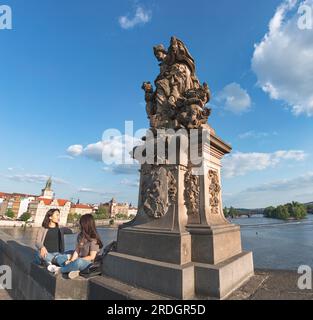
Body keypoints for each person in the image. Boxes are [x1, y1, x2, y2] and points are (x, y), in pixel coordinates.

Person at [48, 214, 103, 279]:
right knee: (60, 258)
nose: (79, 225)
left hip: (88, 263)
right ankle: (73, 269)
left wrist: (75, 260)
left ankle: (60, 270)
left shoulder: (94, 239)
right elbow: (77, 250)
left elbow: (92, 257)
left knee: (78, 262)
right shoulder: (81, 236)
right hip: (79, 258)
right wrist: (71, 260)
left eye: (80, 223)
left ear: (85, 225)